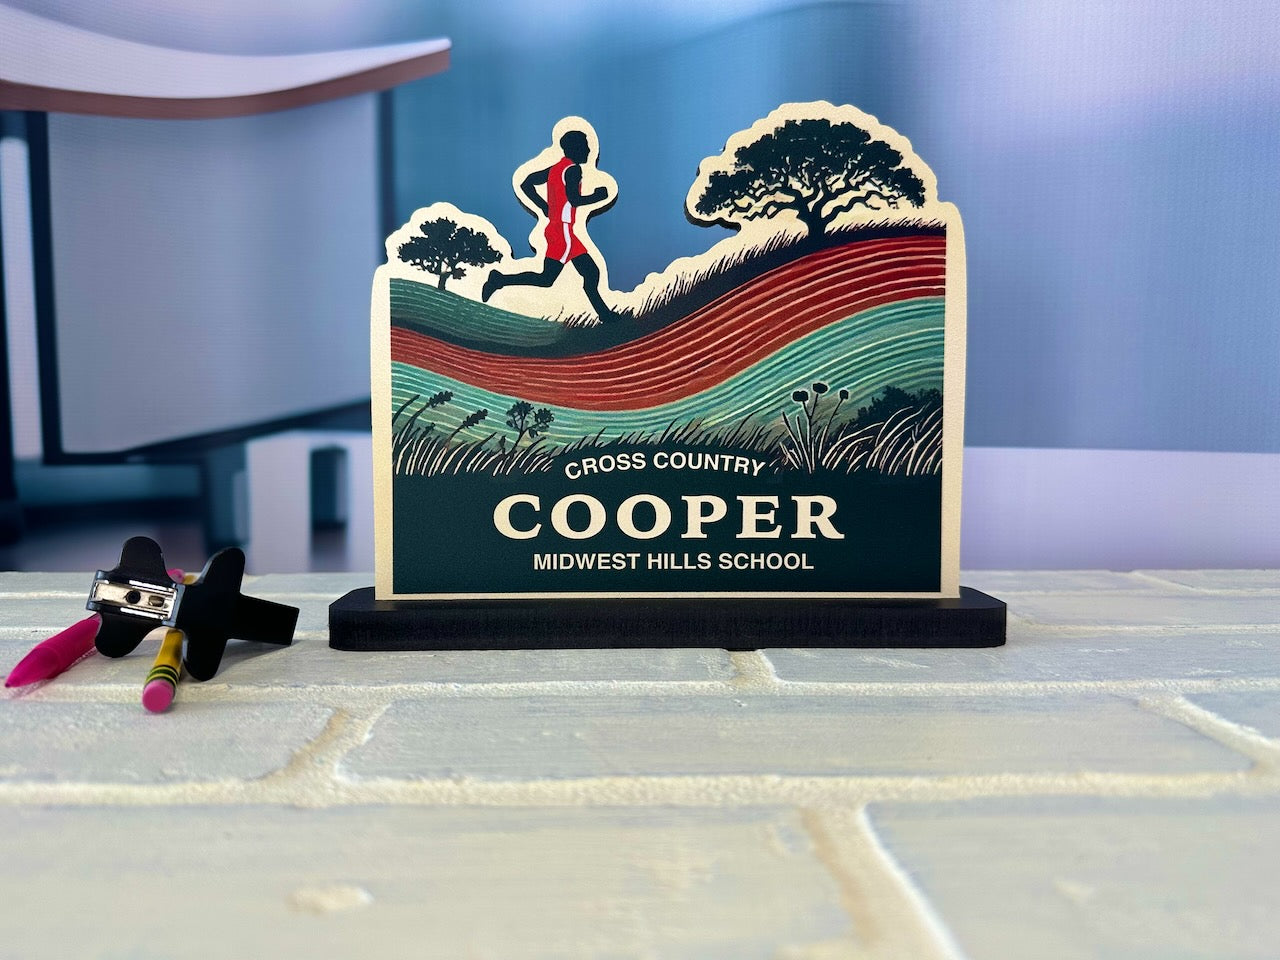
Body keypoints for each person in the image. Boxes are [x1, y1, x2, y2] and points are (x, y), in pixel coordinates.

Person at [482, 129, 619, 323]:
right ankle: (499, 280)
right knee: (550, 278)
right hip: (563, 231)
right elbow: (574, 199)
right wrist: (599, 196)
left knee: (587, 272)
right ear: (576, 148)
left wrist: (544, 206)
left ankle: (606, 315)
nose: (589, 150)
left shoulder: (556, 169)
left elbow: (526, 183)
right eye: (586, 145)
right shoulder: (573, 169)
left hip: (560, 230)